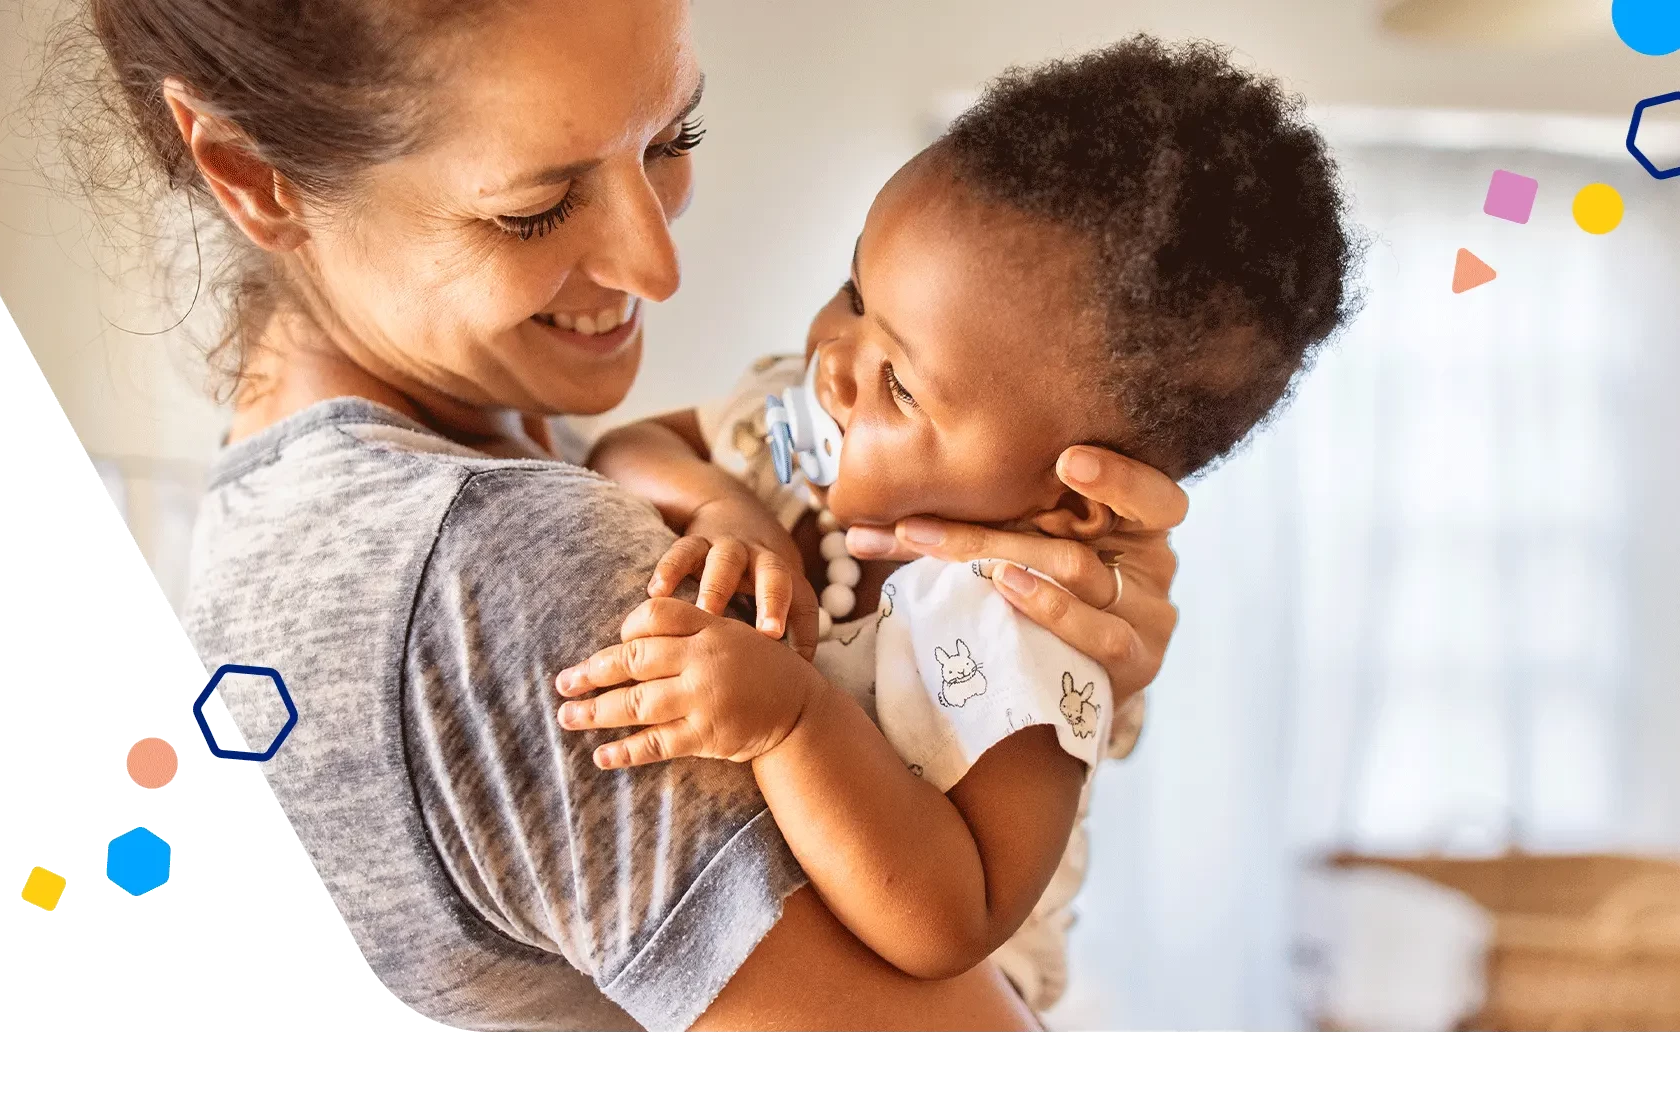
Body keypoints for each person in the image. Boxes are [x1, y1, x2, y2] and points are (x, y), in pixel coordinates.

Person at [79, 0, 1187, 1030]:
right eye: (535, 207)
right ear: (248, 171)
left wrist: (1055, 665)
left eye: (670, 136)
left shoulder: (452, 461)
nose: (656, 265)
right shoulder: (495, 561)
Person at [564, 37, 1356, 1015]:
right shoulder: (803, 436)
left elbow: (950, 916)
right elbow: (631, 447)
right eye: (854, 292)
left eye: (899, 381)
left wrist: (791, 718)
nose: (834, 360)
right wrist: (720, 502)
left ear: (1069, 501)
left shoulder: (1020, 633)